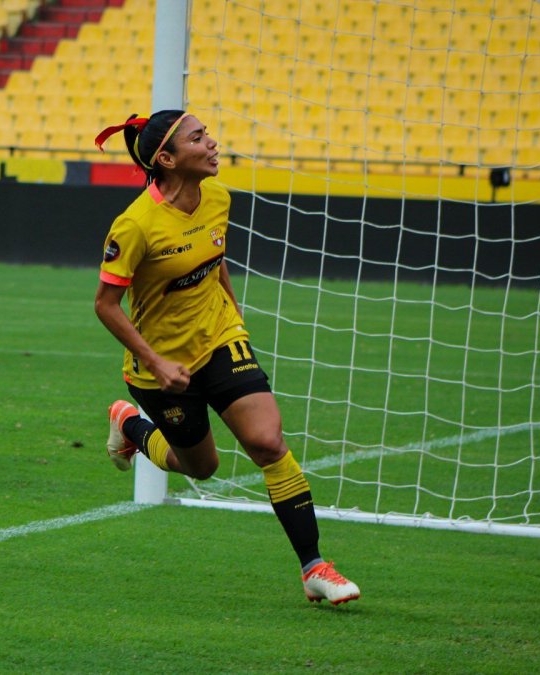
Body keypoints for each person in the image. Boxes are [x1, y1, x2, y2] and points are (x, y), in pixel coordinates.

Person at [93, 111, 359, 604]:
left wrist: (234, 317)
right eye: (199, 138)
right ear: (167, 159)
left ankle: (314, 567)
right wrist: (154, 362)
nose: (213, 144)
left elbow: (215, 261)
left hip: (220, 340)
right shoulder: (134, 226)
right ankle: (130, 422)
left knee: (267, 442)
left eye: (208, 133)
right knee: (200, 467)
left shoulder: (218, 197)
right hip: (162, 369)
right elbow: (105, 305)